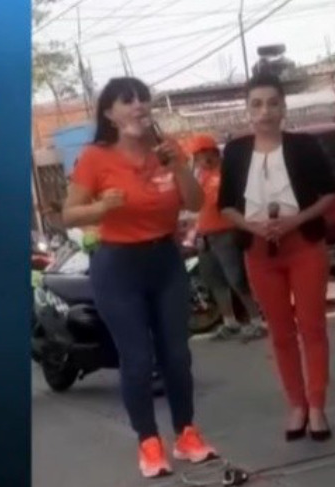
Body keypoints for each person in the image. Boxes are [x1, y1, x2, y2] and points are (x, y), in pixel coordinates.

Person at [62, 77, 217, 479]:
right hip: (118, 266)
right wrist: (100, 208)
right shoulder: (95, 158)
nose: (138, 106)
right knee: (137, 358)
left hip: (165, 261)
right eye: (127, 100)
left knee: (177, 354)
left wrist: (178, 165)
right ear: (110, 114)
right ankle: (148, 441)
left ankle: (186, 433)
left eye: (142, 99)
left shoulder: (166, 150)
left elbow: (196, 201)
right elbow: (69, 214)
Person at [218, 74, 335, 442]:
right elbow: (225, 206)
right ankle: (296, 405)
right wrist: (253, 227)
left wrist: (296, 220)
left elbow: (331, 193)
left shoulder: (304, 146)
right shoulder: (235, 151)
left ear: (283, 107)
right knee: (281, 333)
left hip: (304, 245)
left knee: (312, 327)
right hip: (259, 251)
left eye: (273, 103)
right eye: (256, 104)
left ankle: (317, 406)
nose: (265, 111)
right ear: (247, 110)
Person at [188, 133, 267, 342]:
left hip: (226, 232)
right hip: (206, 235)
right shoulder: (201, 176)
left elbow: (222, 202)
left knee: (236, 279)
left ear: (213, 152)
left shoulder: (224, 173)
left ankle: (256, 321)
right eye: (197, 155)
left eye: (203, 153)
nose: (201, 159)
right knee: (215, 280)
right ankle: (229, 322)